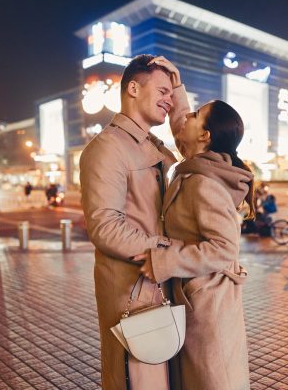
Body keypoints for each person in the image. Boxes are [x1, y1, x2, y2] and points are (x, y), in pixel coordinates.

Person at [134, 57, 252, 390]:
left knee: (213, 380)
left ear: (207, 135)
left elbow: (225, 248)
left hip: (210, 305)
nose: (187, 116)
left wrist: (166, 260)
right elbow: (183, 132)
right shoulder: (199, 164)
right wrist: (177, 84)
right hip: (198, 299)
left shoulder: (204, 182)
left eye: (196, 115)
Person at [79, 54, 185, 389]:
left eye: (172, 93)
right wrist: (166, 249)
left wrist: (179, 87)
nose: (169, 100)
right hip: (131, 289)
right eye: (163, 90)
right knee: (136, 381)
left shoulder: (147, 145)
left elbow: (196, 143)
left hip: (155, 283)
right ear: (134, 88)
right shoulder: (108, 148)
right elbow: (105, 227)